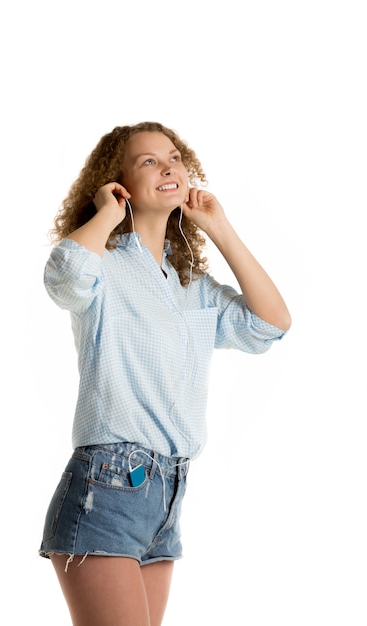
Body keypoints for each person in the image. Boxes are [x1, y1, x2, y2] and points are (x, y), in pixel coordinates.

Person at [39, 121, 291, 626]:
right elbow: (64, 277)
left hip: (168, 495)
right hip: (106, 487)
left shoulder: (192, 286)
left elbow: (271, 325)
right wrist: (109, 214)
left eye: (173, 157)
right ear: (120, 183)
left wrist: (219, 228)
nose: (168, 166)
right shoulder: (102, 265)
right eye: (148, 161)